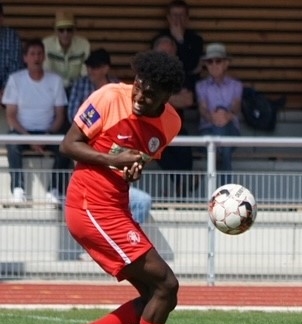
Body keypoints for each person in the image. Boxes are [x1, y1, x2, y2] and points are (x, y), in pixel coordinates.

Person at [55, 50, 184, 324]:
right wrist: (114, 160)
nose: (140, 96)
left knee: (157, 296)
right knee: (167, 285)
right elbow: (68, 145)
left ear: (166, 97)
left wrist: (131, 168)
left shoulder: (171, 124)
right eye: (138, 86)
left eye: (150, 94)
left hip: (115, 207)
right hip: (90, 206)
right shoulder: (109, 97)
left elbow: (134, 159)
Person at [67, 48, 153, 219]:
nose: (91, 70)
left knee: (141, 201)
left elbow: (127, 121)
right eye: (89, 66)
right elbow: (74, 119)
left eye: (95, 67)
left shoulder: (117, 89)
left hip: (113, 159)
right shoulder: (81, 85)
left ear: (106, 68)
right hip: (89, 162)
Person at [1, 39, 69, 206]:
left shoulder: (55, 80)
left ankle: (55, 190)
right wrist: (29, 138)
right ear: (25, 58)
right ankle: (18, 189)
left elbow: (60, 115)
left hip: (49, 132)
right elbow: (11, 116)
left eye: (39, 54)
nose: (36, 58)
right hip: (23, 132)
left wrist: (47, 136)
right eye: (32, 54)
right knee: (12, 142)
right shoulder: (15, 80)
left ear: (44, 57)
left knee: (67, 145)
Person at [152, 34, 196, 198]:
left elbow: (187, 100)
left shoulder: (180, 75)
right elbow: (147, 99)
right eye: (162, 53)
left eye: (170, 54)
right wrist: (173, 98)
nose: (166, 58)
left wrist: (162, 97)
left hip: (176, 128)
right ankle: (183, 183)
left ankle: (182, 186)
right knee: (156, 146)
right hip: (153, 128)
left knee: (185, 145)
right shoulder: (147, 74)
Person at [195, 42, 242, 185]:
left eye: (218, 61)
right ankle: (226, 190)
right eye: (210, 61)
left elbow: (236, 108)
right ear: (206, 65)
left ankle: (215, 189)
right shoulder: (200, 86)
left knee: (221, 140)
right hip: (207, 129)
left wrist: (226, 116)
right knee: (224, 147)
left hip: (231, 129)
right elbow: (203, 109)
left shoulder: (236, 85)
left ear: (226, 63)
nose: (214, 65)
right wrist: (213, 118)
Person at [153, 0, 203, 92]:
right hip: (164, 87)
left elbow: (192, 66)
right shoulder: (159, 39)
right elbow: (159, 68)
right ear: (168, 18)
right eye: (174, 15)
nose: (178, 19)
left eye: (181, 15)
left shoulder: (196, 40)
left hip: (189, 88)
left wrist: (180, 40)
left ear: (187, 18)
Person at [42, 10, 91, 93]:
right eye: (61, 30)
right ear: (55, 31)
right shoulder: (46, 44)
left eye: (69, 29)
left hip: (77, 87)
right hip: (52, 87)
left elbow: (85, 73)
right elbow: (46, 71)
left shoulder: (84, 44)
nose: (65, 34)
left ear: (74, 30)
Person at [0, 3, 24, 98]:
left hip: (9, 90)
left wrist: (5, 88)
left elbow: (16, 66)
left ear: (2, 18)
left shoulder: (12, 36)